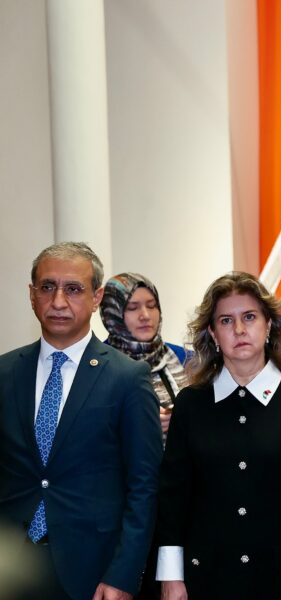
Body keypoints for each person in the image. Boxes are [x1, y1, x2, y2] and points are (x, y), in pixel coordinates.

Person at [0, 242, 162, 599]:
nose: (58, 301)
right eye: (47, 287)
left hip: (93, 572)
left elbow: (144, 486)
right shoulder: (5, 372)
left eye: (73, 289)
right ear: (32, 295)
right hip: (11, 569)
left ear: (96, 297)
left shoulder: (127, 378)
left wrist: (123, 575)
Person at [155, 272, 281, 599]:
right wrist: (170, 576)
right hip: (205, 577)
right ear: (212, 333)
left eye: (249, 317)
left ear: (269, 325)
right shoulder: (191, 404)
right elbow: (173, 497)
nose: (239, 329)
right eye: (226, 320)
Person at [101, 272, 188, 438]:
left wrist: (181, 420)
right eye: (132, 308)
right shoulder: (99, 365)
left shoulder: (185, 358)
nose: (145, 316)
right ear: (112, 314)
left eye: (151, 306)